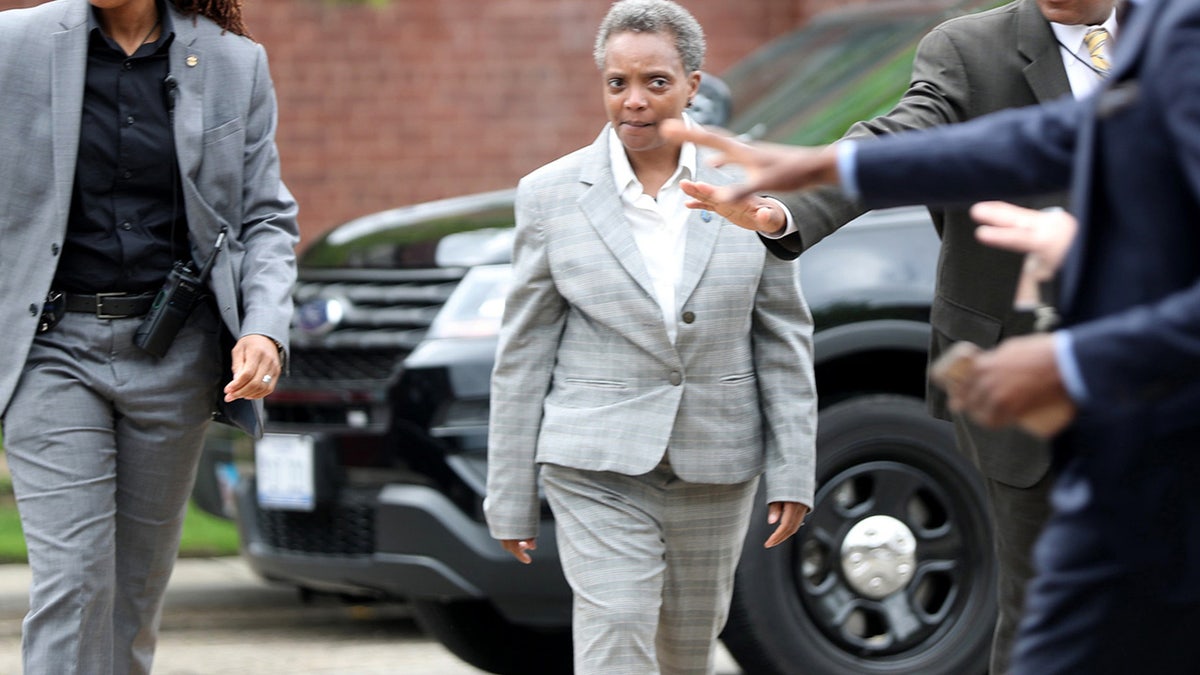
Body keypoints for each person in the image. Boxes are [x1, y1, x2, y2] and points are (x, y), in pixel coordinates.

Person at [662, 0, 1200, 670]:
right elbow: (950, 134)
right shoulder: (971, 49)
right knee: (1050, 620)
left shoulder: (1177, 26)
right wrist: (805, 188)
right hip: (1034, 397)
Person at [484, 1, 817, 673]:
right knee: (617, 633)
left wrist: (793, 468)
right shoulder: (550, 196)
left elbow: (782, 335)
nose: (633, 101)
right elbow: (522, 353)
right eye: (617, 83)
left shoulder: (751, 186)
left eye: (655, 82)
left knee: (684, 652)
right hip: (596, 461)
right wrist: (509, 491)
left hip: (716, 461)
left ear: (693, 84)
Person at [0, 0, 298, 672]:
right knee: (75, 582)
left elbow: (265, 219)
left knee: (132, 600)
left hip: (175, 355)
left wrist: (262, 328)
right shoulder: (12, 45)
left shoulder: (233, 62)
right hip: (50, 348)